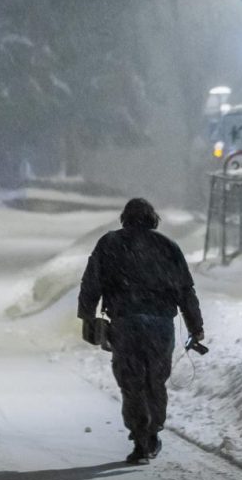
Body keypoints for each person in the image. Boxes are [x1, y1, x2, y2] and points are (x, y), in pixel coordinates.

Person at [78, 197, 205, 464]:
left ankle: (140, 438)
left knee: (132, 382)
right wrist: (196, 326)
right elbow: (185, 290)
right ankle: (152, 431)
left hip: (126, 324)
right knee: (155, 381)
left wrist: (88, 317)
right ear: (152, 219)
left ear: (124, 218)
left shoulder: (109, 244)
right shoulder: (167, 247)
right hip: (160, 326)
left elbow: (91, 282)